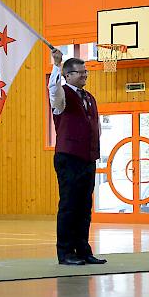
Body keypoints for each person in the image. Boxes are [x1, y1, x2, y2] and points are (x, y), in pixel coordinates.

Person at [48, 47, 107, 266]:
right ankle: (65, 253)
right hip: (69, 158)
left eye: (86, 72)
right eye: (80, 72)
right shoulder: (62, 96)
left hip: (87, 159)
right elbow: (53, 89)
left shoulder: (89, 97)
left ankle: (83, 250)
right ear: (68, 75)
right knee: (69, 206)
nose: (85, 75)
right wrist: (56, 64)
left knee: (84, 207)